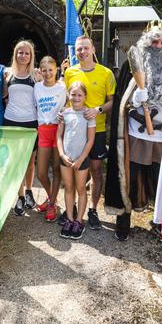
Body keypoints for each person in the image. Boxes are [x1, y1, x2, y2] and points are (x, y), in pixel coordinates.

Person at [104, 24, 162, 244]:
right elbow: (121, 100)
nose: (158, 47)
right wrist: (134, 97)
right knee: (129, 178)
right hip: (137, 137)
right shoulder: (133, 68)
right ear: (147, 45)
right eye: (154, 43)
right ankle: (123, 220)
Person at [63, 35, 116, 229]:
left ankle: (93, 209)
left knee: (95, 170)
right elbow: (67, 99)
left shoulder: (106, 73)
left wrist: (99, 109)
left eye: (85, 48)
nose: (82, 52)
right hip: (74, 130)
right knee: (71, 169)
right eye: (78, 49)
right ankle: (73, 208)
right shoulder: (70, 72)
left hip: (97, 129)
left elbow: (112, 101)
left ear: (93, 49)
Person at [3, 40, 40, 215]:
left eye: (26, 53)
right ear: (15, 54)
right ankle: (19, 197)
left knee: (30, 162)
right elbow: (4, 95)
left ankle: (29, 190)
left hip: (31, 122)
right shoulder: (7, 74)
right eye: (20, 52)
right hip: (10, 121)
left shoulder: (36, 75)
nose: (23, 55)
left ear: (31, 56)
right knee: (16, 162)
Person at [57, 81, 95, 240]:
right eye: (73, 94)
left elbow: (90, 140)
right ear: (69, 95)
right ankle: (70, 220)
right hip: (66, 158)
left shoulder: (88, 114)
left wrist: (81, 158)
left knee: (80, 188)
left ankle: (79, 221)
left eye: (80, 95)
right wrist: (61, 155)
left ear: (85, 96)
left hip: (81, 159)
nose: (76, 97)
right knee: (68, 187)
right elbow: (59, 136)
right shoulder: (64, 114)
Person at [34, 56, 67, 222]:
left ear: (56, 71)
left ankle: (52, 204)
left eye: (51, 70)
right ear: (40, 71)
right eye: (44, 70)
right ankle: (51, 198)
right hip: (43, 130)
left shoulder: (62, 88)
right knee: (40, 172)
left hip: (58, 129)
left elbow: (71, 103)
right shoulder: (37, 87)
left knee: (56, 168)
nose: (47, 73)